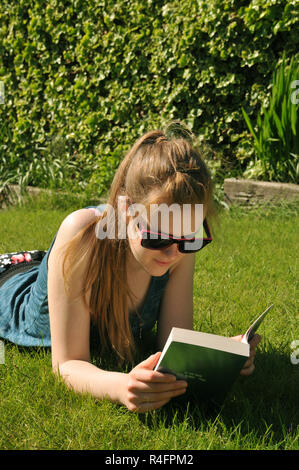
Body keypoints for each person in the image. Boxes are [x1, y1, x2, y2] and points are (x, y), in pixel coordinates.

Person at [0, 122, 260, 412]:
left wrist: (221, 356)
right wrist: (121, 386)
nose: (175, 252)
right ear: (126, 210)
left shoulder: (178, 247)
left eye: (189, 238)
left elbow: (174, 345)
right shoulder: (82, 235)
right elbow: (67, 364)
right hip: (11, 281)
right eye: (158, 237)